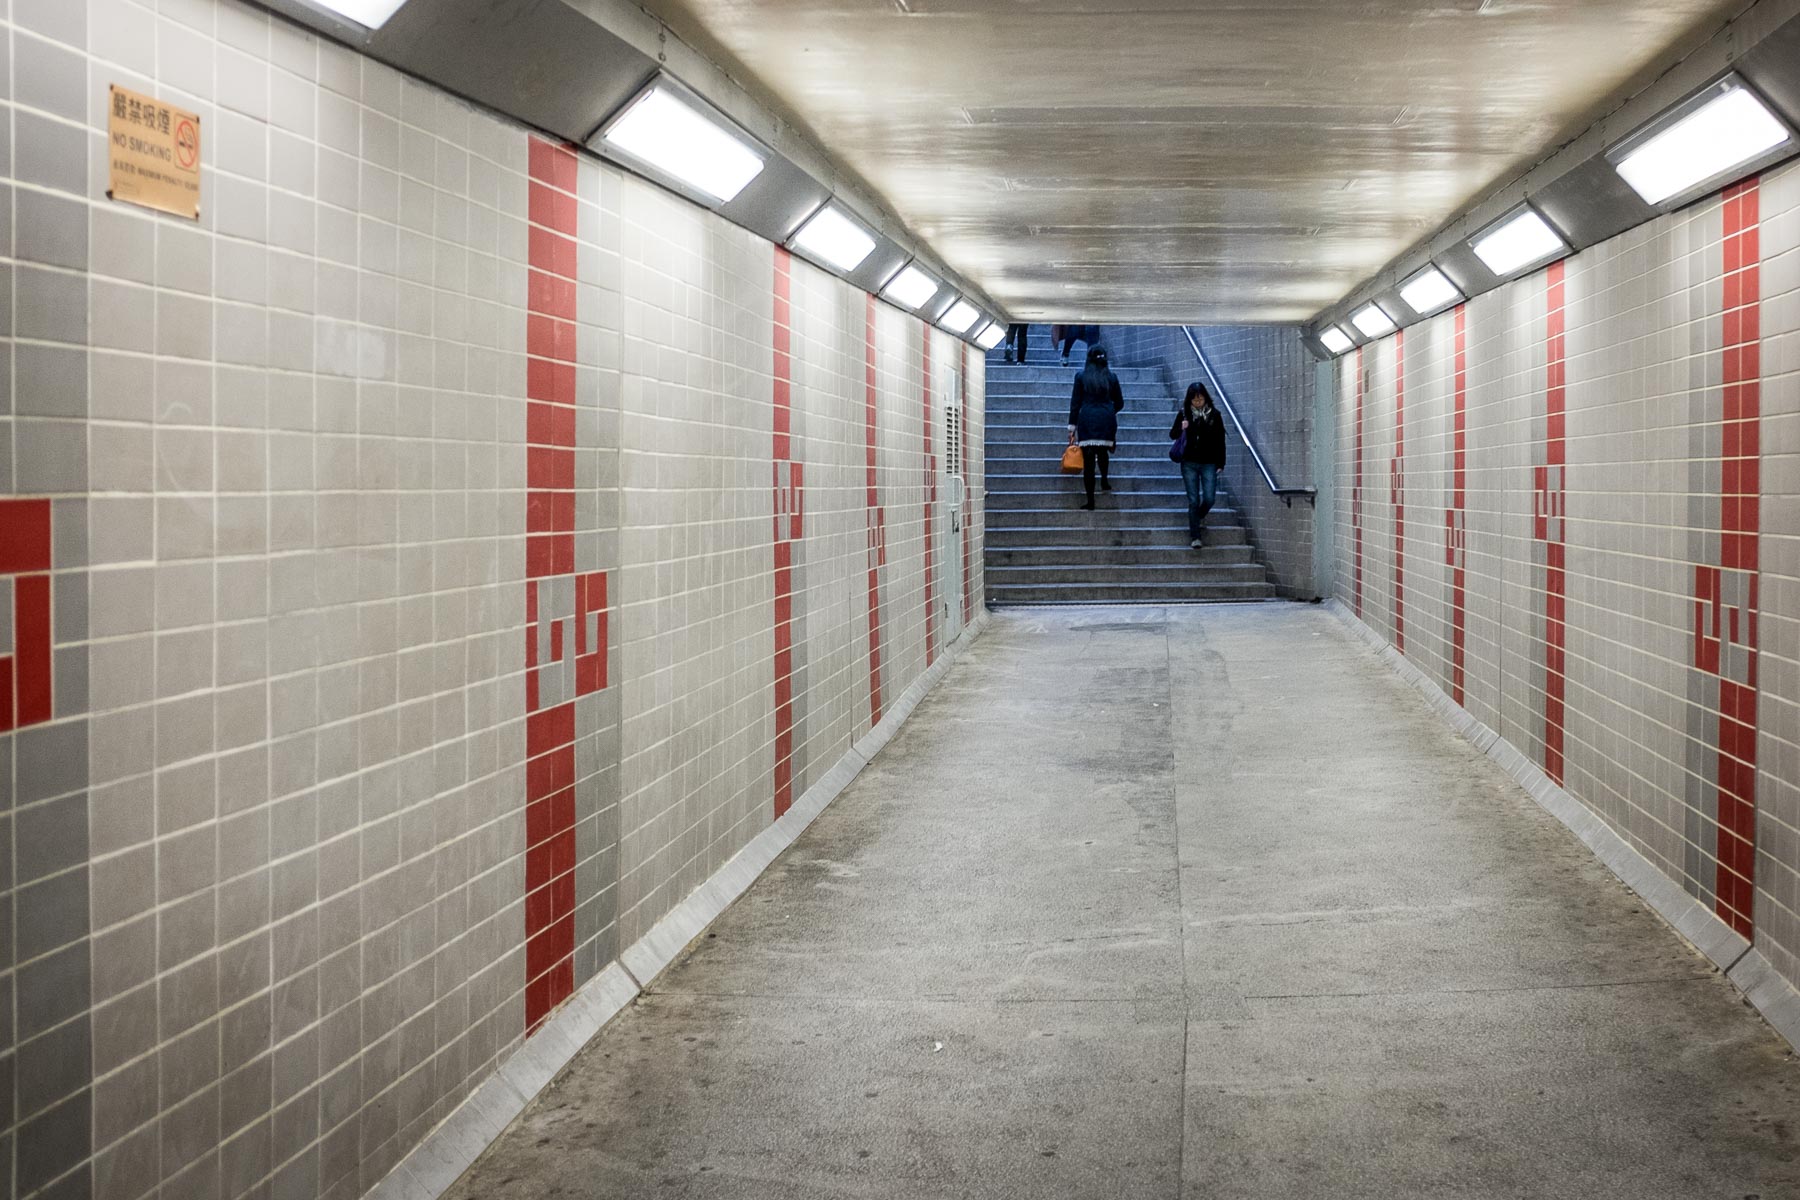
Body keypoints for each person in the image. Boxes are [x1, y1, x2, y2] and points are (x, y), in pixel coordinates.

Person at [1067, 345, 1124, 511]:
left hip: (1087, 419)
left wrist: (1072, 426)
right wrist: (1109, 410)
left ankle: (1090, 501)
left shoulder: (1081, 376)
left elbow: (1075, 403)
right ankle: (1105, 480)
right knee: (1103, 450)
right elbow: (1120, 402)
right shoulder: (1112, 377)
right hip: (1106, 418)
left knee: (1089, 460)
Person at [1171, 382, 1227, 548]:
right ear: (1190, 400)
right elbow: (1172, 435)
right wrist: (1182, 428)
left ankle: (1199, 516)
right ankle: (1195, 536)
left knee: (1209, 498)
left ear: (1205, 398)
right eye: (1194, 400)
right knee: (1193, 500)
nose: (1197, 402)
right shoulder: (1184, 414)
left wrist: (1221, 462)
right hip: (1189, 462)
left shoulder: (1215, 415)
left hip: (1209, 462)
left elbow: (1220, 441)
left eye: (1200, 399)